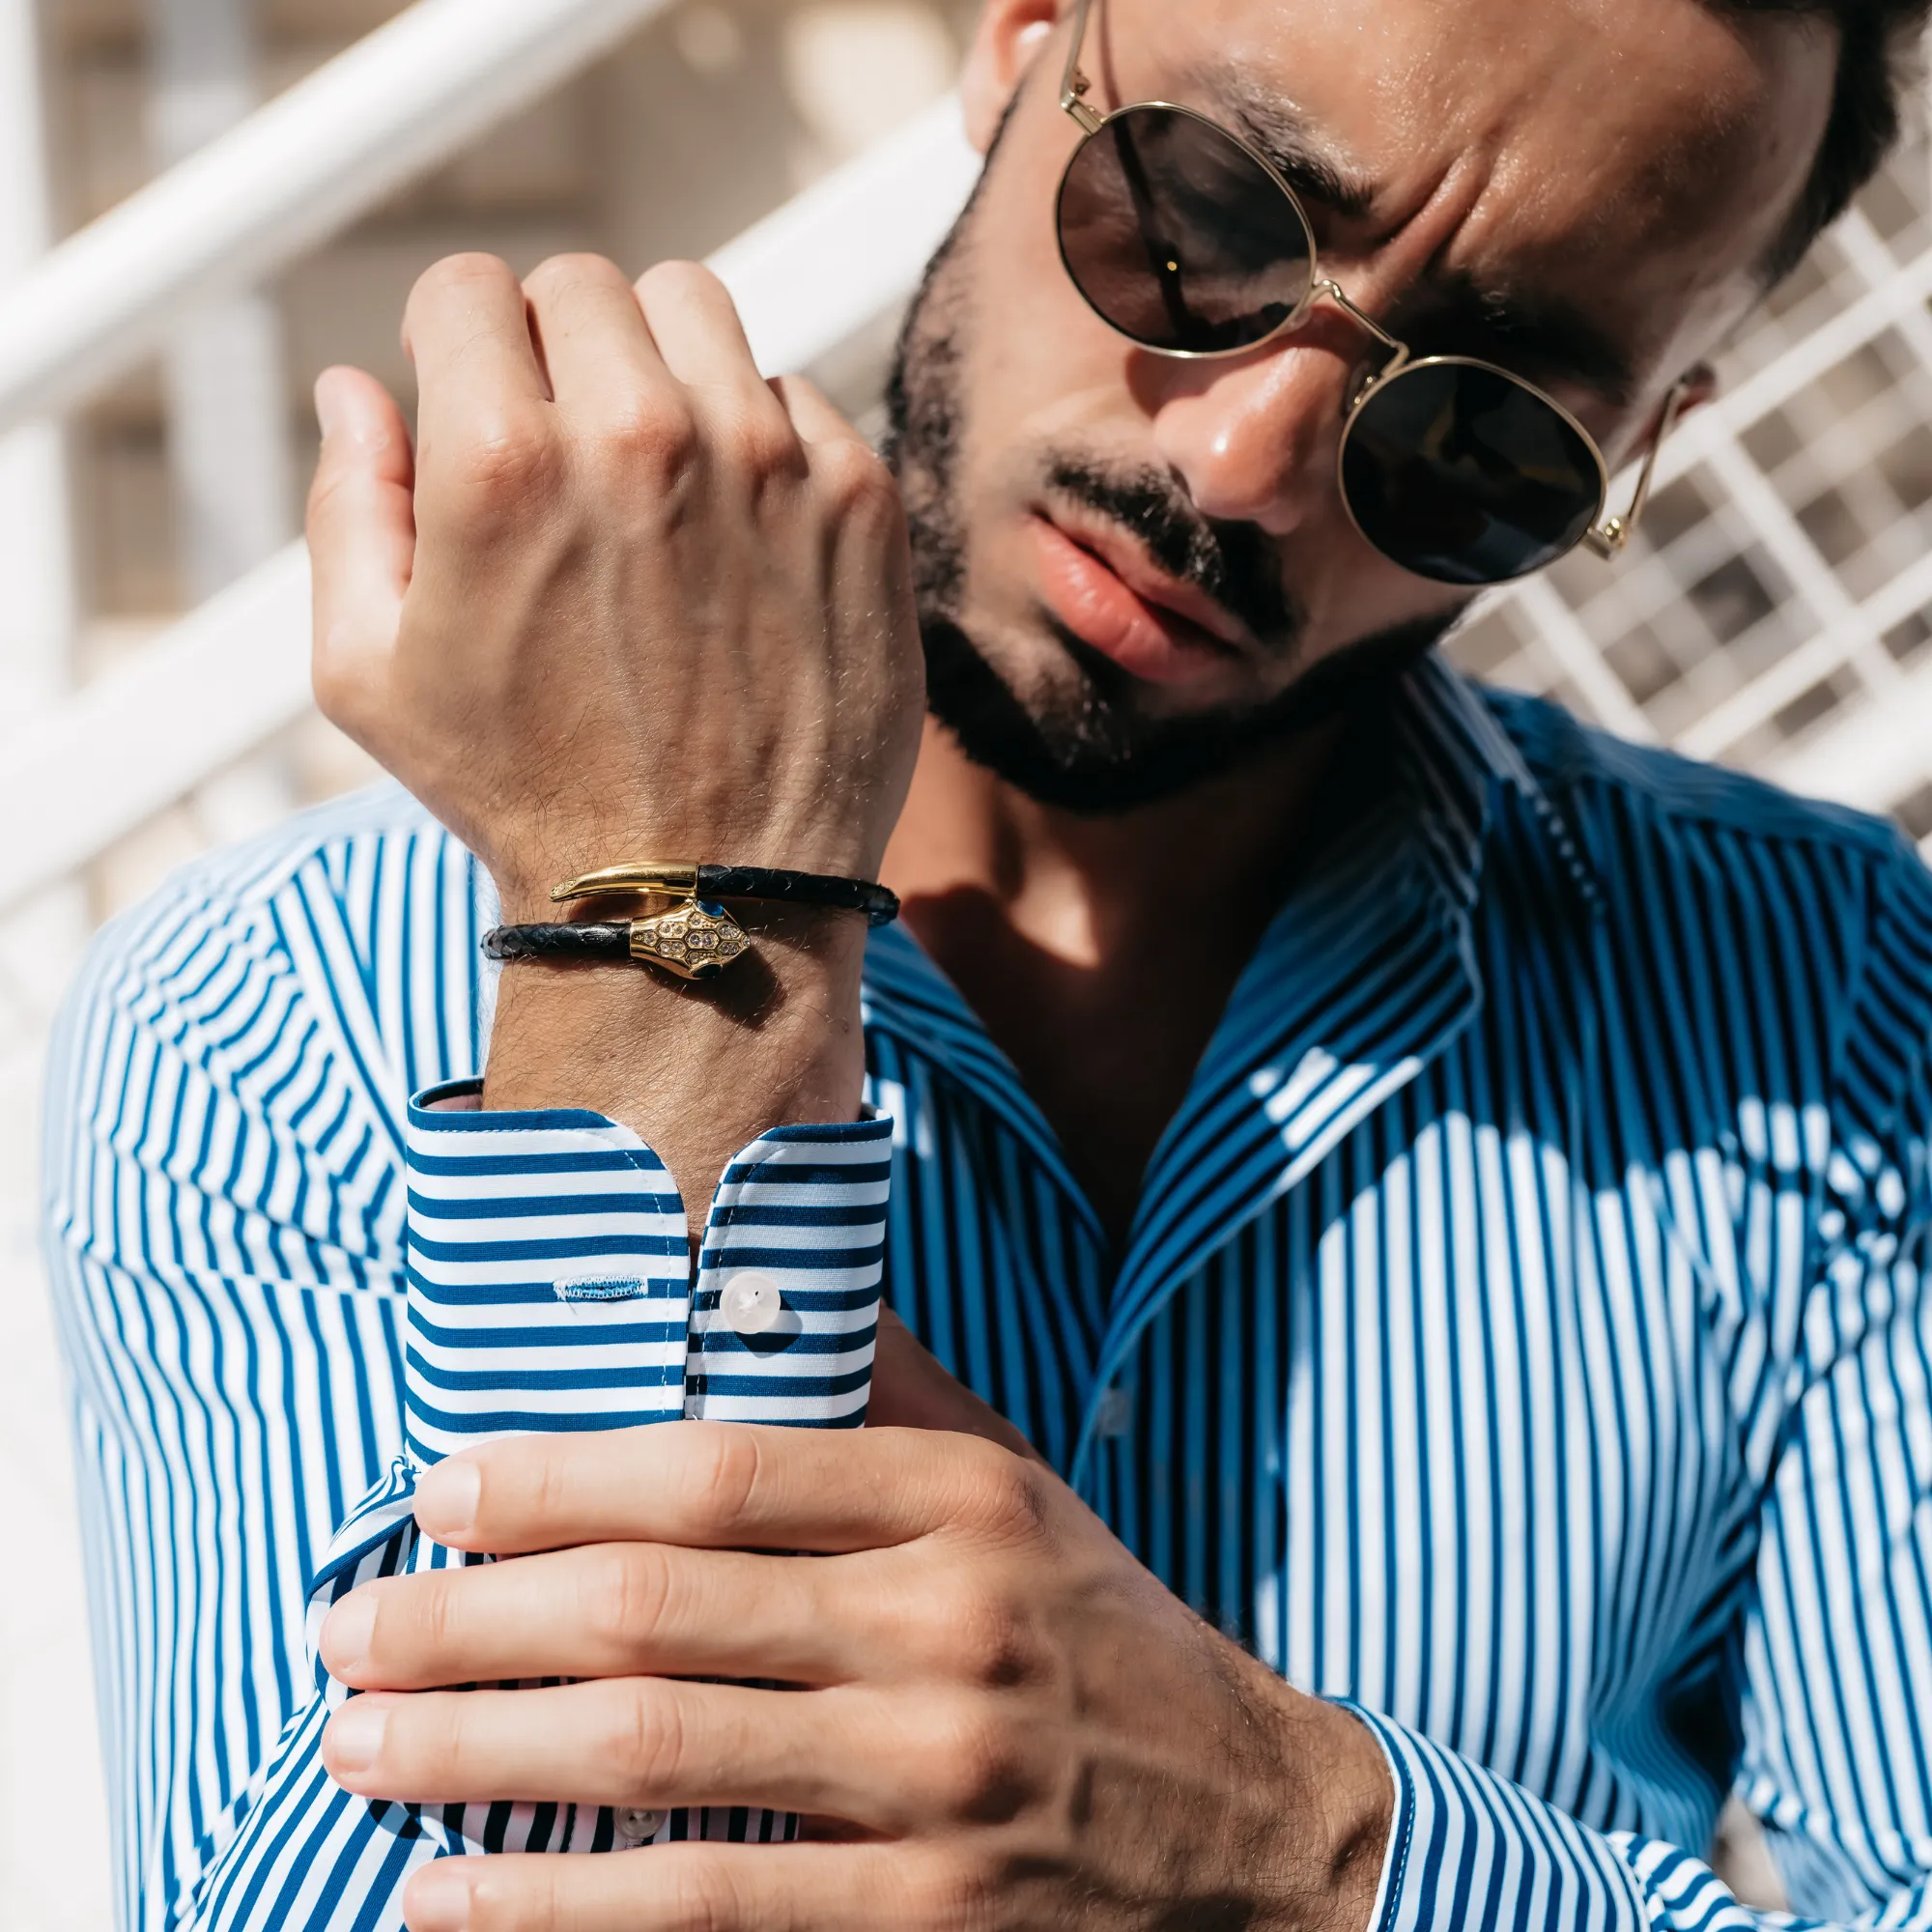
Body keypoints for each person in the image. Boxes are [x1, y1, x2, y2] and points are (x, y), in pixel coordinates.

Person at [43, 0, 1932, 1924]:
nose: (1248, 457)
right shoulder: (277, 1009)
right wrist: (679, 945)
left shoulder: (1837, 1006)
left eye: (1483, 426)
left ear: (1648, 439)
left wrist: (1307, 1850)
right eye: (1203, 222)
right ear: (1027, 34)